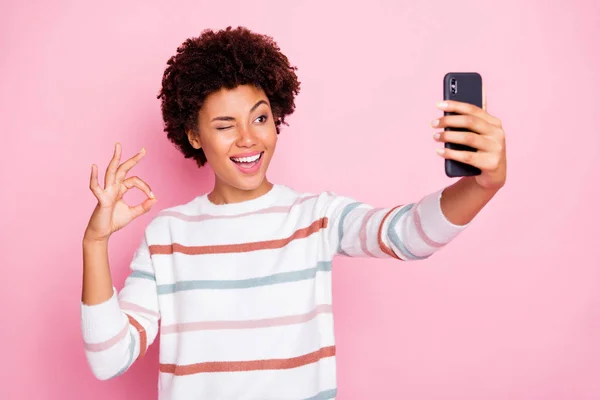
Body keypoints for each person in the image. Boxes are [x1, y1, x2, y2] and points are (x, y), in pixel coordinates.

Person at [80, 26, 506, 400]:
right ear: (194, 135)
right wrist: (95, 243)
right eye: (225, 125)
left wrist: (483, 184)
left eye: (260, 117)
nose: (248, 139)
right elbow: (109, 359)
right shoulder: (167, 235)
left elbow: (406, 235)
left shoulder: (314, 217)